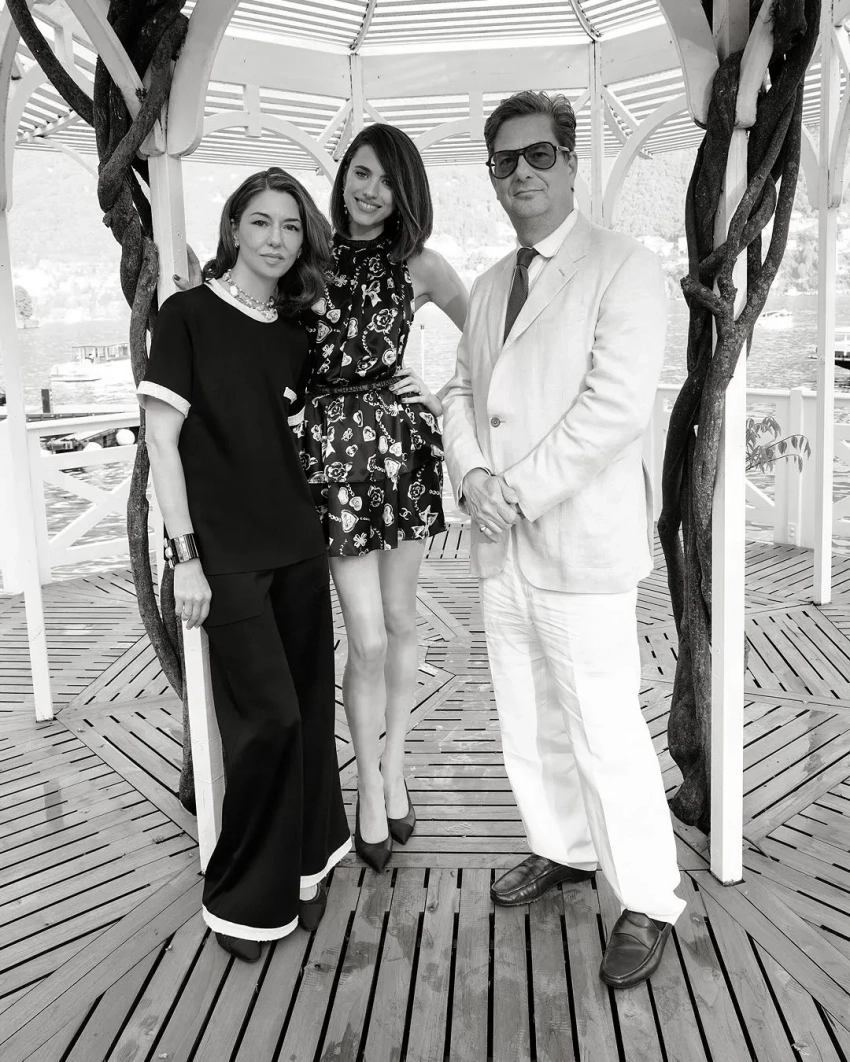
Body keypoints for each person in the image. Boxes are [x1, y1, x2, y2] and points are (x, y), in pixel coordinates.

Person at [441, 91, 685, 989]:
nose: (523, 173)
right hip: (501, 544)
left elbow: (614, 408)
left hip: (576, 541)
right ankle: (564, 848)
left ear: (572, 164)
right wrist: (473, 477)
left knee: (605, 727)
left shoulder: (624, 267)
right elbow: (458, 393)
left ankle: (647, 898)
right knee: (528, 713)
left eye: (539, 155)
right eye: (506, 161)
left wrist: (513, 491)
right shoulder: (489, 286)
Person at [138, 168, 351, 963]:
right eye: (261, 222)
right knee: (268, 722)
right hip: (224, 559)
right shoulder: (186, 315)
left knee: (311, 713)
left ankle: (307, 865)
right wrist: (185, 557)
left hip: (298, 546)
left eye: (291, 226)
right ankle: (243, 900)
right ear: (233, 228)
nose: (275, 239)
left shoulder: (297, 330)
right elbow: (162, 443)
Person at [298, 124, 467, 871]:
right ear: (343, 177)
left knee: (402, 622)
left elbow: (492, 338)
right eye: (361, 173)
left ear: (407, 193)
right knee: (364, 638)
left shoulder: (421, 264)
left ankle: (393, 767)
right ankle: (367, 783)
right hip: (331, 460)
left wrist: (442, 397)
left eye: (388, 181)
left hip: (400, 454)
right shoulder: (307, 255)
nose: (370, 191)